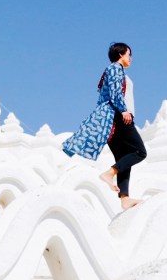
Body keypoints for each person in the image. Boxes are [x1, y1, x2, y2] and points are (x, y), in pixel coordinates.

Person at [62, 42, 148, 210]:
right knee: (139, 152)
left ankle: (125, 198)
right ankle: (109, 173)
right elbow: (115, 92)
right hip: (120, 117)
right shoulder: (115, 68)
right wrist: (123, 110)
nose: (131, 58)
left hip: (115, 118)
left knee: (124, 158)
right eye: (129, 54)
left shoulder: (115, 71)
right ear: (121, 54)